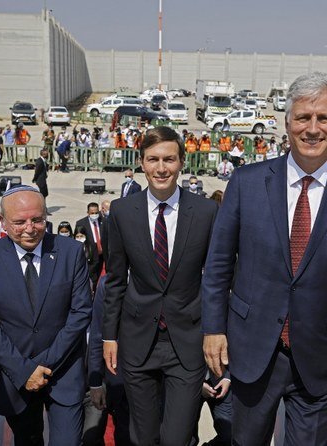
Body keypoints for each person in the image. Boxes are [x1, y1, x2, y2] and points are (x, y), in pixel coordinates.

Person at [201, 72, 327, 446]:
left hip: (320, 359)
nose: (312, 128)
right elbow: (218, 266)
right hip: (251, 353)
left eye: (324, 118)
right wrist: (213, 329)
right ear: (286, 123)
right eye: (303, 117)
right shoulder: (246, 183)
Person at [103, 126, 218, 446]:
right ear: (141, 163)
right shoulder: (123, 212)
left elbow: (219, 279)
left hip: (188, 339)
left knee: (177, 436)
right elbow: (114, 280)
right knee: (143, 436)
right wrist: (109, 336)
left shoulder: (207, 212)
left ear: (182, 162)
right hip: (138, 339)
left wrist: (217, 332)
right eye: (153, 159)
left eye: (169, 159)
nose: (161, 168)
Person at [0, 185, 92, 445]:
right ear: (3, 222)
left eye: (37, 219)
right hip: (15, 376)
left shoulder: (71, 252)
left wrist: (43, 366)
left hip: (64, 373)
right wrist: (25, 371)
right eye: (19, 222)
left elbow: (80, 312)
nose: (30, 228)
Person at [87, 275, 131, 446]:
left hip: (159, 385)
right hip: (120, 385)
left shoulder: (163, 278)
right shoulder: (107, 284)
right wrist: (96, 383)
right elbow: (98, 337)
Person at [75, 202, 104, 276]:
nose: (94, 215)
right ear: (88, 213)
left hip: (103, 254)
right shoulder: (81, 223)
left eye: (96, 212)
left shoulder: (103, 221)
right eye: (92, 213)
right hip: (91, 255)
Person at [73, 225, 100, 293]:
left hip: (90, 276)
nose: (79, 238)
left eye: (81, 236)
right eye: (77, 236)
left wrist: (86, 272)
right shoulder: (72, 248)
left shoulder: (92, 246)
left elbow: (96, 261)